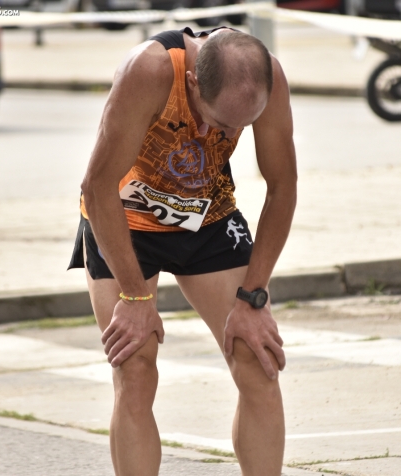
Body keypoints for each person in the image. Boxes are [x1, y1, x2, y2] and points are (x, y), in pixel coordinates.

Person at [68, 26, 297, 476]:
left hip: (206, 215)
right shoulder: (150, 70)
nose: (223, 135)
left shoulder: (265, 76)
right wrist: (135, 299)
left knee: (258, 360)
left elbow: (282, 186)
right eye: (217, 121)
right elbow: (96, 188)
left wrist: (253, 297)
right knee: (135, 371)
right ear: (193, 81)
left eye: (239, 128)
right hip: (125, 218)